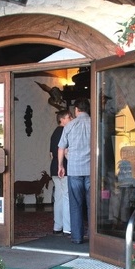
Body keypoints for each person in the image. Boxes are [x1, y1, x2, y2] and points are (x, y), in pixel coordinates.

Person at [58, 98, 91, 244]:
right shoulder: (95, 124)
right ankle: (95, 238)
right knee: (92, 204)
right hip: (91, 170)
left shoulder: (69, 125)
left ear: (76, 109)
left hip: (74, 169)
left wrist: (60, 165)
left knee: (75, 204)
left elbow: (61, 147)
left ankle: (77, 237)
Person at [50, 109, 72, 236]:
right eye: (69, 117)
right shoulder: (65, 131)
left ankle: (57, 226)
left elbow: (51, 154)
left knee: (58, 197)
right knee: (66, 197)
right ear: (62, 119)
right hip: (64, 168)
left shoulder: (54, 133)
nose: (71, 119)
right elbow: (64, 150)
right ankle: (67, 228)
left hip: (54, 168)